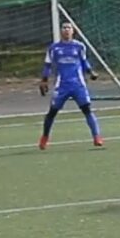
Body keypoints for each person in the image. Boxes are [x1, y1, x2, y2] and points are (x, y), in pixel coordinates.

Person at [38, 22, 103, 150]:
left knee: (87, 109)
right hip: (61, 86)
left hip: (78, 85)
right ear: (61, 31)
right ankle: (44, 137)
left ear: (73, 31)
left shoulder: (79, 46)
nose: (66, 30)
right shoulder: (54, 48)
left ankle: (97, 137)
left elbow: (84, 61)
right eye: (64, 28)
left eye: (69, 28)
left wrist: (90, 72)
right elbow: (48, 65)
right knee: (52, 112)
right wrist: (44, 80)